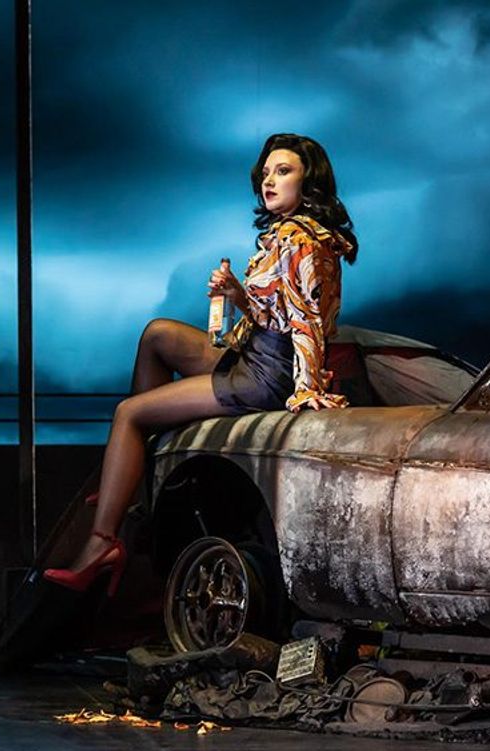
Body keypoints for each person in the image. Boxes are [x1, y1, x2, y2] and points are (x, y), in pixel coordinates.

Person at [43, 133, 358, 594]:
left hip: (266, 374)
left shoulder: (300, 241)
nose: (269, 181)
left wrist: (307, 389)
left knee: (129, 414)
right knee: (158, 336)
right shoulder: (287, 234)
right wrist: (237, 294)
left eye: (283, 171)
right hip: (256, 351)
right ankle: (133, 475)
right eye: (266, 172)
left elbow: (307, 322)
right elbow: (275, 314)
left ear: (309, 182)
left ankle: (102, 542)